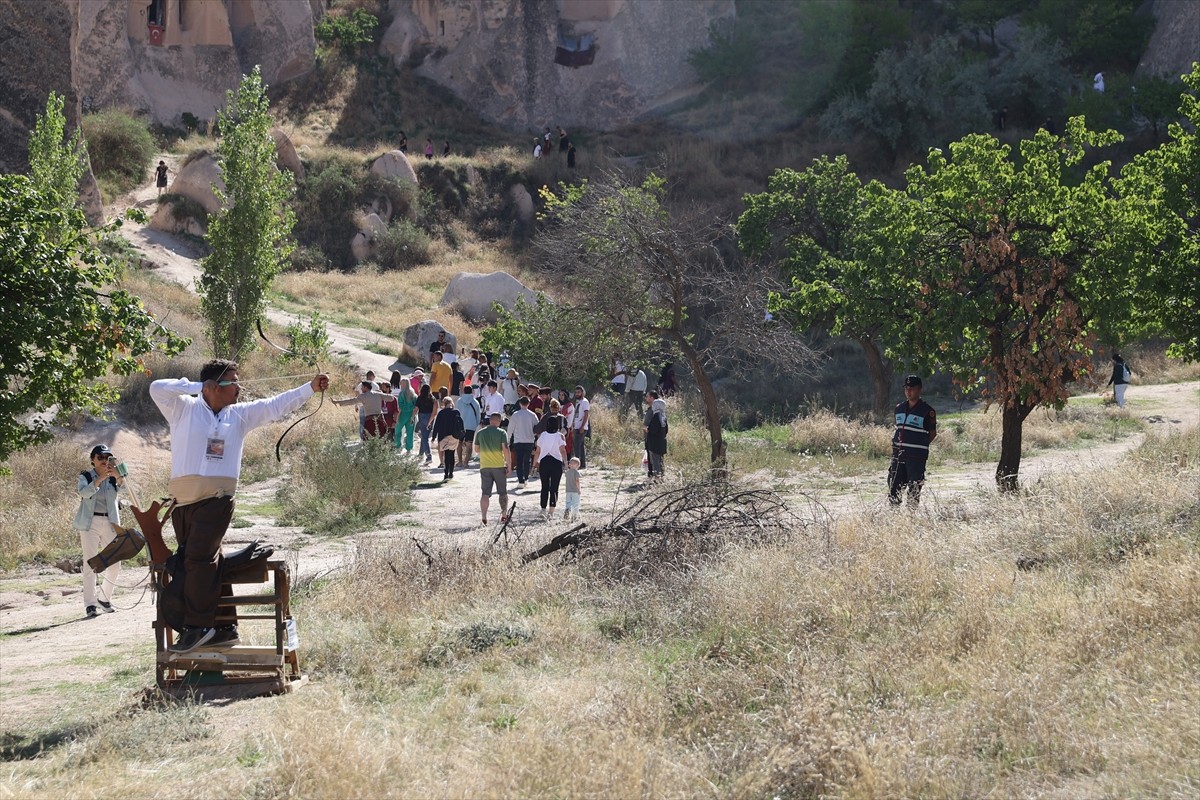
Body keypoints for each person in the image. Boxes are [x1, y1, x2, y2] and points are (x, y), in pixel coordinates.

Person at [150, 361, 328, 652]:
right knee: (202, 562)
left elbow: (275, 405)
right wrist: (197, 387)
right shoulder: (184, 407)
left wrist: (310, 388)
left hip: (216, 502)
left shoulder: (240, 415)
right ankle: (225, 627)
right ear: (211, 388)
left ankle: (198, 626)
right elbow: (156, 387)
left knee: (199, 561)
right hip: (182, 504)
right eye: (232, 382)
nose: (239, 387)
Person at [74, 444, 125, 618]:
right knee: (90, 563)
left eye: (107, 458)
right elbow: (83, 493)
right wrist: (98, 480)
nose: (104, 461)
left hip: (110, 523)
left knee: (116, 563)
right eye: (100, 458)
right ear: (93, 460)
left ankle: (104, 598)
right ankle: (90, 605)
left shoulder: (113, 476)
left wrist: (119, 477)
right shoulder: (86, 476)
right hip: (90, 523)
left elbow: (125, 491)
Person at [888, 375, 937, 509]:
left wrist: (919, 445)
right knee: (894, 487)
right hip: (898, 456)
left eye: (912, 389)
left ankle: (911, 518)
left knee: (914, 488)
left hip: (916, 457)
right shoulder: (899, 408)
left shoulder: (928, 411)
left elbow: (932, 433)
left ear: (920, 390)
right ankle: (894, 517)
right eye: (906, 388)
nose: (909, 392)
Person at [475, 413, 512, 525]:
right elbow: (505, 449)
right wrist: (509, 465)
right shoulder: (501, 432)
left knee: (485, 493)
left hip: (485, 466)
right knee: (502, 492)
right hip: (498, 466)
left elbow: (476, 449)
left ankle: (484, 517)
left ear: (490, 420)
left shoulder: (480, 433)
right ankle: (504, 515)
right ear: (499, 421)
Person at [533, 414, 567, 519]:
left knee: (544, 486)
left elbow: (538, 451)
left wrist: (535, 464)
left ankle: (543, 509)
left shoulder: (543, 435)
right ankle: (551, 511)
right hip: (556, 462)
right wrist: (565, 463)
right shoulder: (560, 436)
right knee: (554, 487)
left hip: (544, 462)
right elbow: (563, 450)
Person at [508, 396, 538, 489]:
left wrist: (508, 439)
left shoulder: (515, 415)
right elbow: (537, 427)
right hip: (529, 440)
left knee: (519, 461)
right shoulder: (532, 415)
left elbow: (510, 429)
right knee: (527, 460)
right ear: (528, 404)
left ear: (520, 404)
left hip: (518, 440)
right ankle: (526, 478)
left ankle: (520, 480)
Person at [430, 397, 463, 480]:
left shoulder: (441, 413)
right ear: (451, 403)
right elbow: (460, 425)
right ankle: (451, 473)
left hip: (443, 436)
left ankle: (445, 473)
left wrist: (433, 437)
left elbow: (436, 426)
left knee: (446, 454)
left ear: (443, 404)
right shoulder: (456, 412)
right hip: (454, 436)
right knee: (452, 454)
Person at [455, 385, 482, 466]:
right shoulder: (475, 402)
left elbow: (456, 413)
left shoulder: (459, 401)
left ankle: (460, 461)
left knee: (459, 443)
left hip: (460, 426)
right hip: (471, 425)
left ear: (463, 391)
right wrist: (475, 424)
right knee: (469, 444)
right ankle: (466, 462)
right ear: (472, 392)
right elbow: (478, 415)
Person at [643, 397, 669, 481]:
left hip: (654, 444)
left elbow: (652, 430)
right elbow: (666, 431)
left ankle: (657, 478)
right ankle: (661, 476)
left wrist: (647, 429)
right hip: (662, 443)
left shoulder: (655, 417)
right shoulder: (664, 417)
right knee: (660, 460)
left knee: (655, 462)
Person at [394, 375, 417, 453]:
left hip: (402, 414)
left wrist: (397, 417)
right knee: (410, 433)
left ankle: (397, 446)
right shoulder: (413, 393)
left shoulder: (401, 394)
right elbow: (416, 407)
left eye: (402, 384)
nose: (401, 385)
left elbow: (400, 407)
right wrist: (413, 416)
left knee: (397, 431)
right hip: (411, 415)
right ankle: (409, 449)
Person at [571, 385, 591, 469]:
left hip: (581, 427)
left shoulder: (585, 401)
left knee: (577, 446)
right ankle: (582, 464)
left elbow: (586, 414)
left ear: (582, 392)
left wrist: (582, 426)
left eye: (579, 392)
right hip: (576, 426)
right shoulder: (578, 402)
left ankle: (576, 465)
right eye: (576, 392)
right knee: (581, 446)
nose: (577, 394)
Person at [415, 384, 436, 463]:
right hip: (430, 417)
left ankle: (429, 456)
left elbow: (416, 409)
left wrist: (412, 417)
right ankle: (420, 455)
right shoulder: (433, 398)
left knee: (424, 437)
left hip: (422, 417)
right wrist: (430, 421)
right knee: (424, 436)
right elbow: (434, 412)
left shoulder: (420, 398)